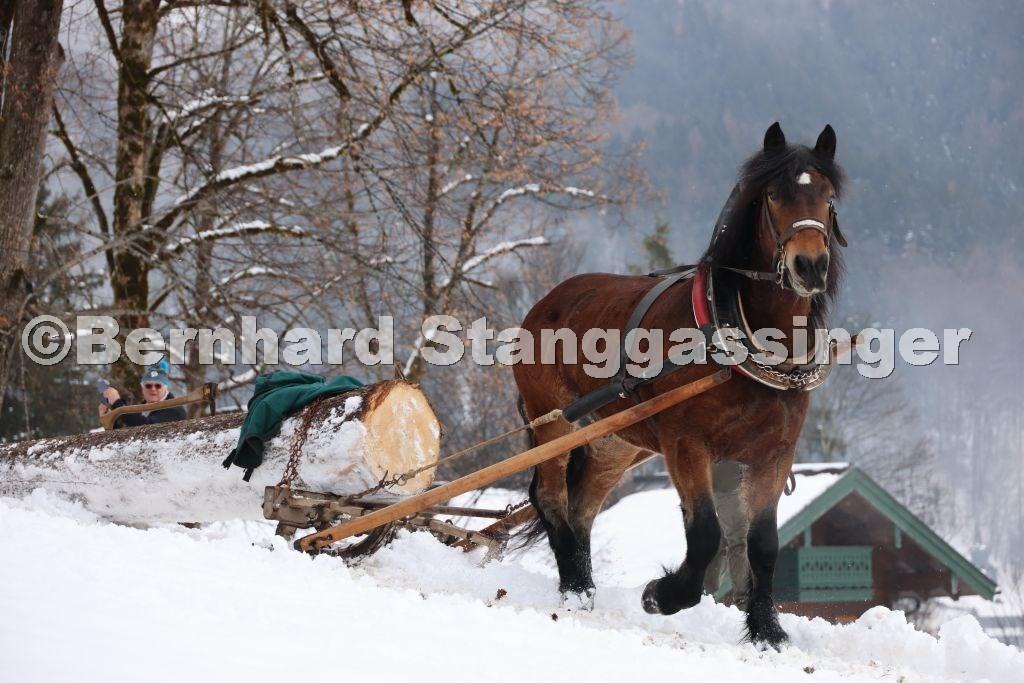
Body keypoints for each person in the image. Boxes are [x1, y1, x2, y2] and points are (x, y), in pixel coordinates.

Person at [703, 460, 751, 610]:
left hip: (707, 476)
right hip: (728, 477)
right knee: (739, 541)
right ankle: (745, 603)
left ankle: (704, 594)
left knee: (723, 537)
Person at [98, 359, 187, 429]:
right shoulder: (144, 407)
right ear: (143, 388)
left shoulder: (173, 408)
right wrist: (110, 420)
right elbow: (128, 435)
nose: (153, 389)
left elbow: (147, 427)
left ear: (165, 388)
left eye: (158, 386)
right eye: (148, 386)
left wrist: (117, 403)